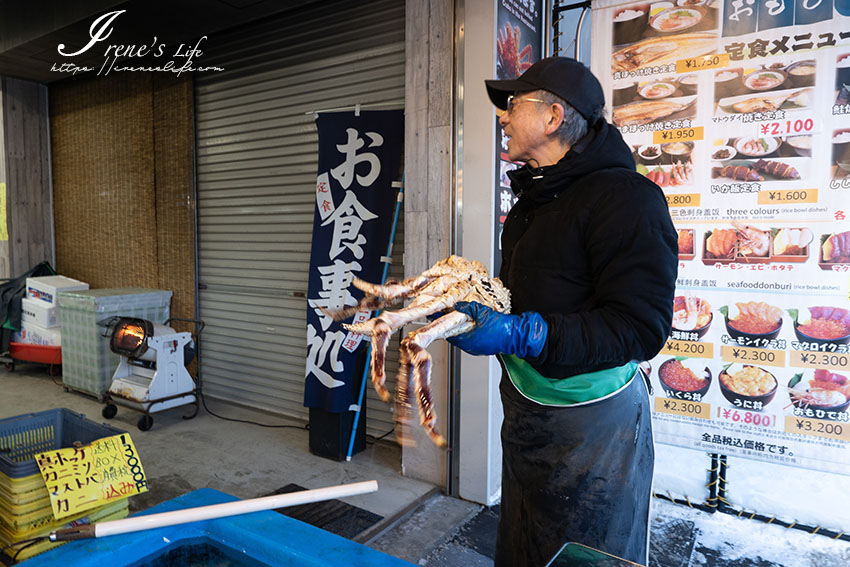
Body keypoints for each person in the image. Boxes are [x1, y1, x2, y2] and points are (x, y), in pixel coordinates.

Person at [449, 57, 678, 566]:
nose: (502, 117)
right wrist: (481, 305)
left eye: (512, 106)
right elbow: (537, 288)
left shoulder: (628, 200)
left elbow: (639, 327)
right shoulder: (536, 194)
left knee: (582, 553)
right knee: (523, 542)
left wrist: (524, 334)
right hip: (528, 408)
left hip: (594, 426)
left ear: (553, 117)